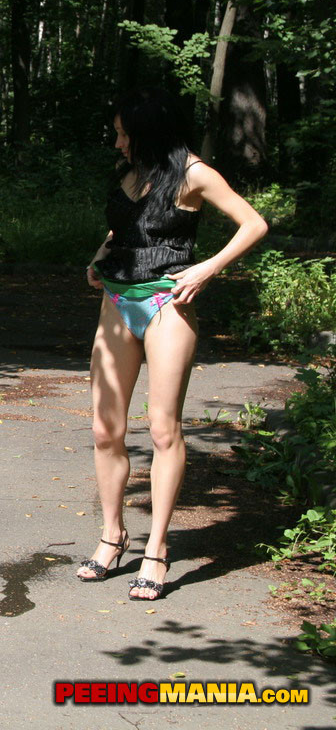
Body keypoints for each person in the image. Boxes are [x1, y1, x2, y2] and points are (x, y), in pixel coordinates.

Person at [76, 87, 267, 599]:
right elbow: (122, 232)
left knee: (162, 430)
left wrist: (207, 268)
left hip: (168, 306)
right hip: (116, 301)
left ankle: (156, 550)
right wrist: (100, 258)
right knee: (104, 428)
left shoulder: (194, 173)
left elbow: (254, 223)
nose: (116, 142)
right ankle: (112, 536)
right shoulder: (128, 173)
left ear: (147, 131)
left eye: (122, 132)